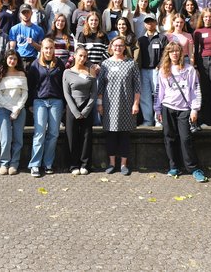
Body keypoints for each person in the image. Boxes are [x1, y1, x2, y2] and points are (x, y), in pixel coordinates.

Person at [154, 42, 208, 182]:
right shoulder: (163, 70)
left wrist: (195, 109)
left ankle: (193, 168)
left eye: (177, 51)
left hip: (185, 109)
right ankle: (173, 167)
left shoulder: (189, 70)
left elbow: (196, 90)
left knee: (186, 139)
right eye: (171, 51)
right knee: (169, 138)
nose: (175, 54)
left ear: (181, 53)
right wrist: (157, 109)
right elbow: (159, 91)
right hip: (167, 107)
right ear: (168, 54)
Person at [97, 36, 141, 176]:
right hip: (109, 105)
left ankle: (123, 165)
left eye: (121, 45)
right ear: (111, 47)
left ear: (124, 47)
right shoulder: (105, 64)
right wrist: (99, 104)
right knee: (110, 135)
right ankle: (111, 164)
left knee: (124, 135)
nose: (118, 48)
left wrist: (136, 103)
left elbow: (137, 86)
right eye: (115, 45)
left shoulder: (131, 63)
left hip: (127, 105)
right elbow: (100, 87)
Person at [27, 38, 65, 178]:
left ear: (54, 49)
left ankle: (48, 163)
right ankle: (35, 164)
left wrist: (64, 103)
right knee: (40, 133)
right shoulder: (35, 65)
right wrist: (30, 103)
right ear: (41, 49)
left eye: (51, 48)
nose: (48, 51)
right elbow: (31, 86)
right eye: (46, 48)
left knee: (54, 133)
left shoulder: (59, 64)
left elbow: (63, 84)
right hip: (40, 101)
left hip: (56, 101)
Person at [63, 46, 97, 176]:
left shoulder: (90, 71)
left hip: (87, 107)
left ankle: (85, 164)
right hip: (72, 108)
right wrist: (75, 111)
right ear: (75, 56)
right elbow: (66, 93)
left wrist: (87, 109)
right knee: (72, 137)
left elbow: (94, 93)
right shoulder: (67, 72)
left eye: (85, 56)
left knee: (86, 136)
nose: (83, 58)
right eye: (80, 56)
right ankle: (73, 165)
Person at [0, 49, 28, 175]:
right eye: (10, 58)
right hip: (3, 110)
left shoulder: (21, 74)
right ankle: (4, 163)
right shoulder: (0, 74)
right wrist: (10, 108)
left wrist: (17, 109)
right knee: (5, 138)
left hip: (19, 110)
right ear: (6, 59)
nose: (12, 61)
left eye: (14, 59)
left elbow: (24, 93)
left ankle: (14, 163)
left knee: (18, 138)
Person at [137, 14, 168, 126]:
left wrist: (160, 65)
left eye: (152, 21)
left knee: (158, 95)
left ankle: (159, 120)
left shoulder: (162, 38)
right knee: (145, 96)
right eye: (147, 22)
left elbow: (166, 54)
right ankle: (148, 120)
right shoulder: (140, 39)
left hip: (157, 70)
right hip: (143, 70)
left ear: (155, 23)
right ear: (144, 24)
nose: (149, 24)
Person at [9, 4, 44, 70]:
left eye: (27, 12)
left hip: (32, 59)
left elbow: (41, 49)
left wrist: (33, 43)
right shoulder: (14, 29)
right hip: (18, 59)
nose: (26, 15)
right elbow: (12, 48)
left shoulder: (39, 30)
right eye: (23, 12)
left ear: (31, 13)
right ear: (20, 14)